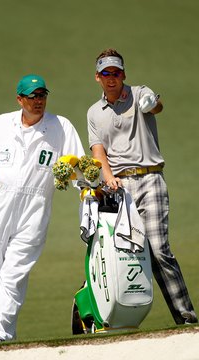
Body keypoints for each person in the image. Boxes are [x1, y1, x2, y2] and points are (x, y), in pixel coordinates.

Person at [0, 74, 85, 343]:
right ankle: (3, 334)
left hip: (35, 207)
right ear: (20, 99)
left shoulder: (60, 126)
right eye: (32, 96)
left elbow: (79, 164)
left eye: (42, 95)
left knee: (14, 271)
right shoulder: (0, 124)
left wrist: (86, 193)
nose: (38, 101)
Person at [87, 48, 197, 325]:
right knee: (122, 254)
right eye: (105, 73)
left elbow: (156, 105)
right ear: (97, 78)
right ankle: (116, 318)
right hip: (120, 186)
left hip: (150, 179)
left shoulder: (139, 93)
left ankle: (186, 318)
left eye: (116, 72)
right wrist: (108, 177)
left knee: (159, 249)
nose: (111, 78)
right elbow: (98, 152)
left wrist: (152, 103)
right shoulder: (94, 113)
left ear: (123, 74)